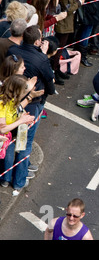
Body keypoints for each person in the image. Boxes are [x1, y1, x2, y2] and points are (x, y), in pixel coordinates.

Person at [7, 26, 56, 191]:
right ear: (37, 41)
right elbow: (50, 81)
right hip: (31, 105)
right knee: (23, 142)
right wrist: (42, 54)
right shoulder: (41, 59)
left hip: (11, 100)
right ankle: (19, 180)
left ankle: (6, 177)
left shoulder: (13, 50)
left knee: (9, 140)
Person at [0, 74, 40, 194]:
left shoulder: (11, 100)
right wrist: (21, 121)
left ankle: (5, 179)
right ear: (17, 91)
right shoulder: (2, 103)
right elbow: (2, 129)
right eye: (24, 91)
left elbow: (15, 111)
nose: (25, 93)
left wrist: (21, 117)